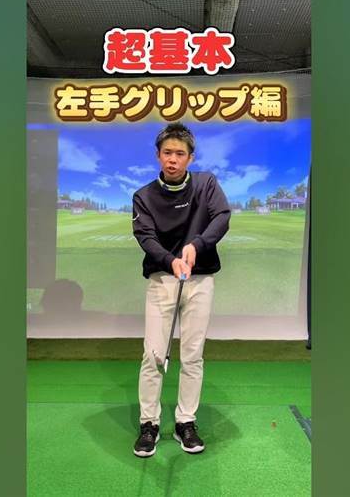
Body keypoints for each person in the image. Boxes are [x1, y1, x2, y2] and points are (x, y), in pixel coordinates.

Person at [131, 122, 231, 457]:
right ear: (158, 155)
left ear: (190, 158)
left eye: (179, 154)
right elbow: (145, 236)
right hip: (162, 279)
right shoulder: (144, 196)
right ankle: (149, 423)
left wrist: (197, 245)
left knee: (192, 355)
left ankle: (185, 421)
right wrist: (170, 260)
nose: (172, 159)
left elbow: (222, 217)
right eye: (167, 153)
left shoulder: (206, 184)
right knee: (153, 355)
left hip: (200, 280)